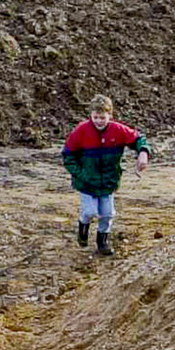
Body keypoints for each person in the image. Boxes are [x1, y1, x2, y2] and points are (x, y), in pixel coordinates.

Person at [61, 94, 152, 257]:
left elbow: (138, 139)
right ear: (91, 115)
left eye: (102, 117)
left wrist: (143, 153)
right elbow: (68, 155)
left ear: (110, 115)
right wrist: (81, 174)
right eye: (95, 117)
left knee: (108, 213)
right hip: (87, 183)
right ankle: (83, 227)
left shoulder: (118, 130)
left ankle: (102, 242)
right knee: (89, 212)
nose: (99, 121)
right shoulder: (81, 131)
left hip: (109, 182)